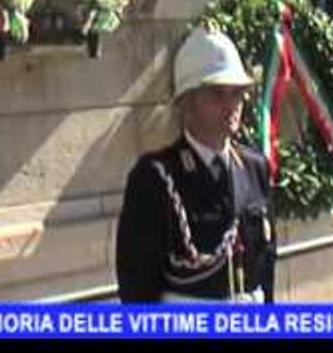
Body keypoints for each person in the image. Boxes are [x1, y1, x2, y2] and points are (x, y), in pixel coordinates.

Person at [116, 26, 276, 302]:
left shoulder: (254, 167)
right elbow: (136, 286)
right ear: (186, 103)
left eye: (237, 93)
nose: (231, 105)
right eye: (217, 94)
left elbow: (266, 265)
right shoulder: (156, 177)